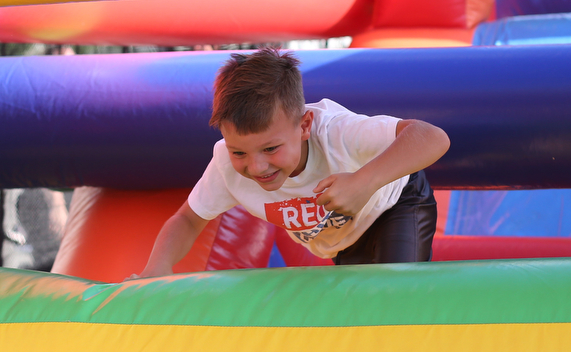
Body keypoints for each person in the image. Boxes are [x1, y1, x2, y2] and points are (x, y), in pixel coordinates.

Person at [135, 47, 450, 278]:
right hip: (341, 240)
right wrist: (157, 266)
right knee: (360, 311)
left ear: (304, 125)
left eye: (270, 148)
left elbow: (432, 137)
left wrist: (363, 182)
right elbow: (188, 220)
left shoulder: (336, 133)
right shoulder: (226, 167)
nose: (256, 167)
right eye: (239, 151)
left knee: (390, 292)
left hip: (394, 204)